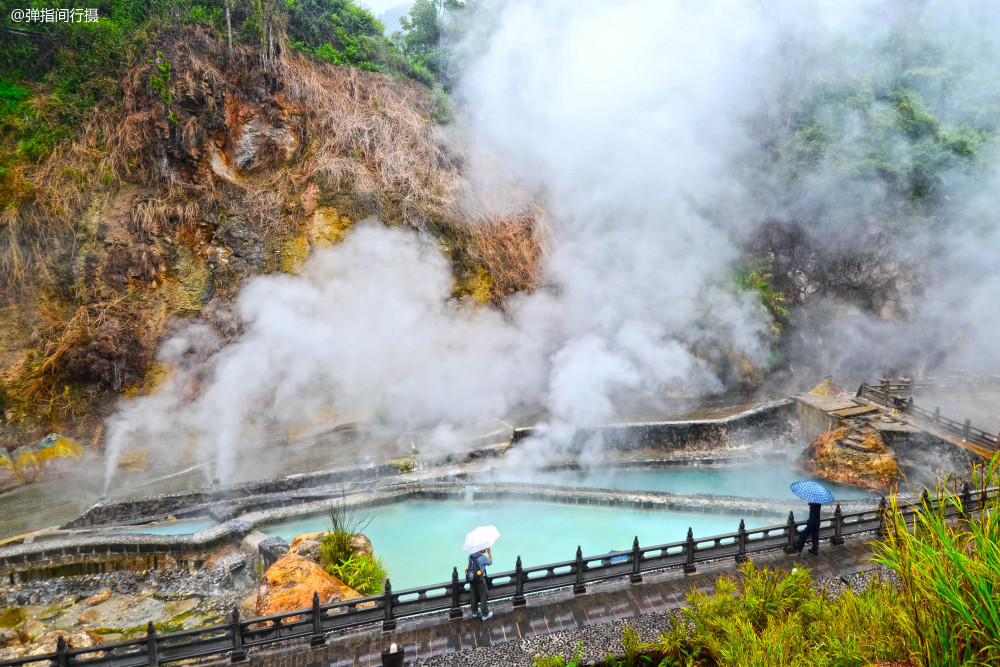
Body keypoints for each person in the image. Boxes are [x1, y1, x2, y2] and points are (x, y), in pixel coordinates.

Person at [469, 547, 493, 620]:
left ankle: (474, 612)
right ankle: (485, 614)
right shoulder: (482, 558)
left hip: (472, 578)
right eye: (484, 548)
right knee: (483, 596)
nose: (485, 549)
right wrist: (489, 553)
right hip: (481, 580)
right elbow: (490, 562)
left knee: (473, 595)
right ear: (480, 549)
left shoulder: (470, 557)